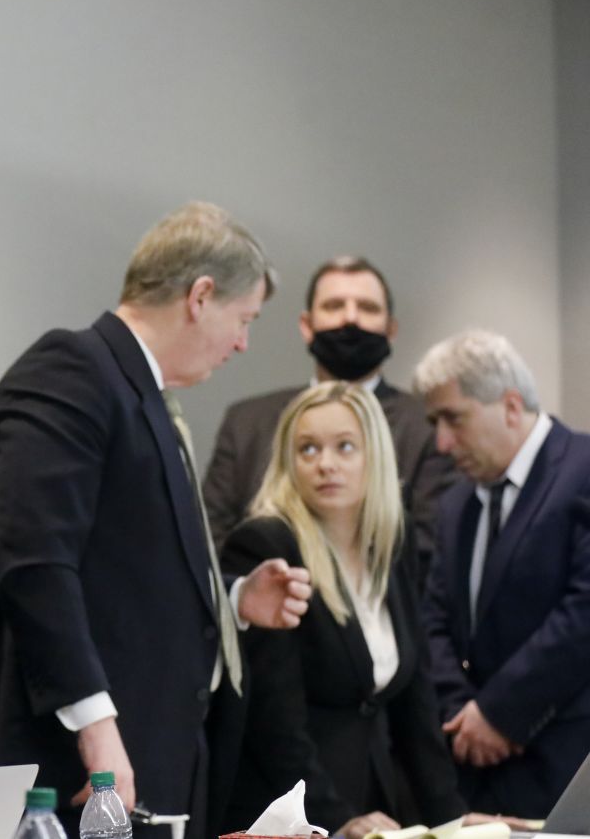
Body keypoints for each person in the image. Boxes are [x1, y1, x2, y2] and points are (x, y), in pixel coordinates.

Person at [0, 201, 313, 839]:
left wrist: (230, 602)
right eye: (244, 318)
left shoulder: (142, 396)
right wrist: (97, 729)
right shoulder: (70, 371)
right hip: (69, 775)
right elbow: (35, 566)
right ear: (201, 295)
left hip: (142, 765)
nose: (243, 342)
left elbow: (126, 575)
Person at [219, 382, 465, 838]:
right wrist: (334, 819)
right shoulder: (267, 545)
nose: (324, 464)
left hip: (375, 803)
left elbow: (416, 698)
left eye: (344, 447)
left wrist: (452, 819)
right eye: (307, 449)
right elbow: (275, 720)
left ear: (374, 457)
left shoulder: (391, 543)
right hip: (292, 813)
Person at [414, 330, 590, 818]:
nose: (443, 443)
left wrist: (500, 713)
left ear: (511, 405)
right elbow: (434, 621)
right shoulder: (456, 503)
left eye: (454, 419)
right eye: (434, 423)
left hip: (565, 762)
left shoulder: (583, 467)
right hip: (472, 766)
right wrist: (464, 717)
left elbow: (583, 613)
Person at [204, 256, 456, 589]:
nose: (350, 319)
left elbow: (429, 551)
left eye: (367, 307)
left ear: (391, 329)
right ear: (307, 326)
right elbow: (211, 538)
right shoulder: (247, 422)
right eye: (334, 305)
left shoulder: (424, 426)